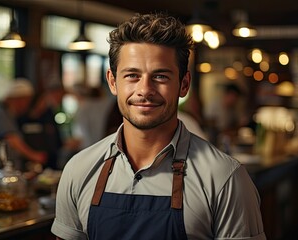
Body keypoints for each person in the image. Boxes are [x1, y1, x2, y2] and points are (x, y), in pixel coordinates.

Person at [51, 13, 265, 240]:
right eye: (132, 75)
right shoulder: (78, 170)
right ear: (113, 82)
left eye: (160, 76)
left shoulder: (225, 178)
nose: (145, 90)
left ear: (184, 85)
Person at [0, 78, 47, 172]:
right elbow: (12, 140)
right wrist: (35, 156)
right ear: (18, 100)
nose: (27, 105)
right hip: (1, 172)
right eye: (27, 100)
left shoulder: (10, 115)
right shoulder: (0, 113)